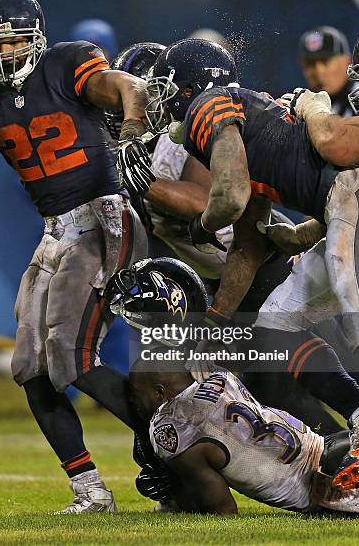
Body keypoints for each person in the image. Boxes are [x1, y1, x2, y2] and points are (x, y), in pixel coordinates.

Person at [0, 0, 156, 514]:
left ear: (37, 36)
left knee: (70, 355)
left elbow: (128, 87)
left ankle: (168, 447)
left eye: (14, 41)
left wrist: (133, 131)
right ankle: (88, 488)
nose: (3, 55)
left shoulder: (68, 62)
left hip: (105, 215)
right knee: (31, 366)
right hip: (57, 230)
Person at [143, 38, 359, 488]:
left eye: (161, 86)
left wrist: (202, 223)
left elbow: (229, 198)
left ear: (183, 84)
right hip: (341, 210)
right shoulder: (249, 124)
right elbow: (249, 244)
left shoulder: (208, 104)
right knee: (273, 323)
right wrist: (216, 319)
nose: (157, 98)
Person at [108, 42, 340, 433]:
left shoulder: (190, 130)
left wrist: (147, 185)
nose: (125, 110)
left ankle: (345, 457)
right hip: (233, 271)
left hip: (266, 266)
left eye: (140, 97)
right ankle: (343, 456)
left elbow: (210, 201)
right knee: (262, 387)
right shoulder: (143, 142)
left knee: (281, 381)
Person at [106, 257, 359, 513]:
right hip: (324, 450)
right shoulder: (213, 366)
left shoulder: (172, 419)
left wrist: (173, 486)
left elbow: (222, 509)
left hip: (324, 475)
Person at [299, 26, 355, 117]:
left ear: (346, 62)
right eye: (310, 63)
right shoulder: (302, 106)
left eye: (325, 61)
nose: (319, 72)